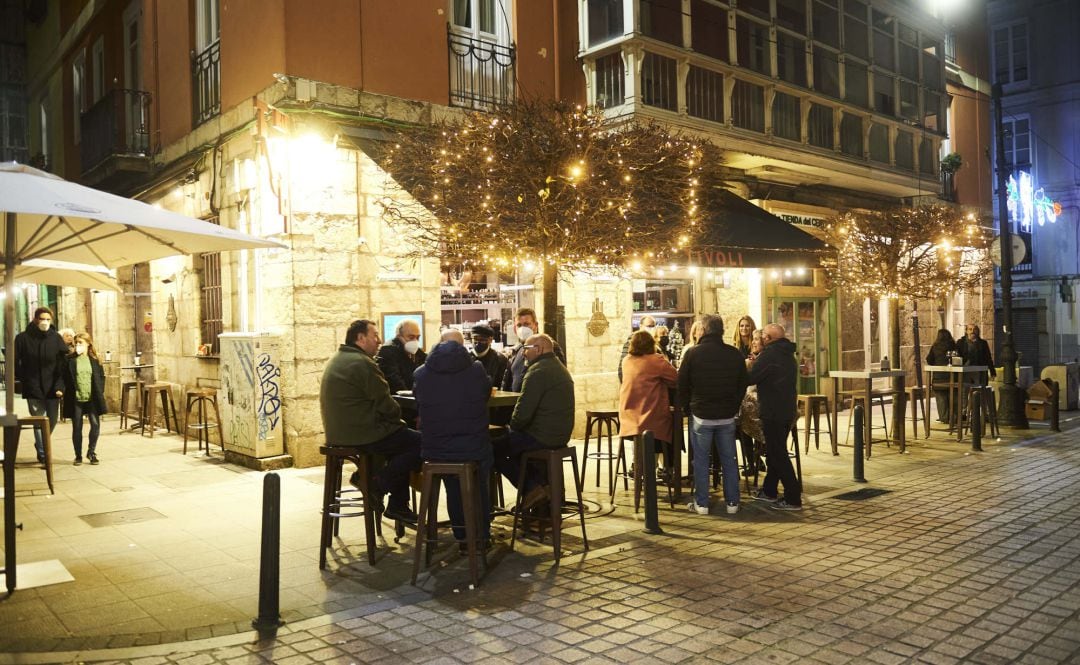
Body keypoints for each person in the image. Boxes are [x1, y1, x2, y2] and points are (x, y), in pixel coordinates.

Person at [320, 319, 422, 522]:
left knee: (401, 442)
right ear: (360, 338)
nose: (379, 340)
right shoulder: (363, 363)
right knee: (422, 442)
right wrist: (399, 417)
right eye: (374, 336)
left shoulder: (339, 358)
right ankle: (377, 484)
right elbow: (387, 405)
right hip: (362, 433)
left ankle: (396, 504)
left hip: (340, 432)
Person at [413, 329, 493, 550]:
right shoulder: (476, 370)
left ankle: (461, 534)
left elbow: (419, 402)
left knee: (452, 483)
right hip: (473, 449)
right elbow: (485, 393)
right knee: (480, 477)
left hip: (435, 451)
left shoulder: (421, 373)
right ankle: (481, 535)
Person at [678, 314, 748, 515]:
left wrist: (687, 408)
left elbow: (682, 383)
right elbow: (742, 382)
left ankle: (702, 504)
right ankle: (733, 503)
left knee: (700, 461)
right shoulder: (733, 354)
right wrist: (734, 405)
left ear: (705, 330)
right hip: (727, 414)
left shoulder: (692, 354)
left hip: (701, 414)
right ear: (721, 330)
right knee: (729, 459)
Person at [494, 333, 575, 509]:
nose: (524, 354)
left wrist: (510, 427)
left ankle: (531, 490)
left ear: (538, 349)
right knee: (514, 449)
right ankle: (539, 497)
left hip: (541, 437)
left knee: (492, 450)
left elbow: (522, 415)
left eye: (527, 349)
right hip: (559, 436)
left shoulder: (537, 372)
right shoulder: (557, 367)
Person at [748, 323, 802, 510]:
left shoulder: (769, 355)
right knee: (774, 452)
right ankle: (770, 491)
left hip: (773, 411)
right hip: (787, 410)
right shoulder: (788, 354)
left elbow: (750, 378)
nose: (760, 338)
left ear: (768, 339)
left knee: (778, 454)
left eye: (762, 335)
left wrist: (749, 365)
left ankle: (793, 497)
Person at [14, 307, 69, 465]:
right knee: (39, 421)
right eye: (42, 319)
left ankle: (39, 444)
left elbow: (62, 363)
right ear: (35, 319)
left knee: (51, 420)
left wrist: (60, 385)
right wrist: (24, 377)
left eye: (48, 319)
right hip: (33, 387)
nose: (45, 322)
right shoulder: (22, 338)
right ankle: (44, 454)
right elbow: (14, 359)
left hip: (53, 387)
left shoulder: (56, 338)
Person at [619, 330, 678, 475]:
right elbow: (676, 379)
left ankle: (641, 468)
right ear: (652, 344)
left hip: (628, 420)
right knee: (675, 428)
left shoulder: (626, 361)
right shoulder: (656, 360)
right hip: (651, 421)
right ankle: (668, 469)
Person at [62, 332, 107, 465]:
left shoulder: (95, 360)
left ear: (88, 344)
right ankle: (78, 455)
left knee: (95, 425)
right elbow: (64, 378)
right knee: (77, 427)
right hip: (76, 398)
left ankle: (91, 452)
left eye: (81, 343)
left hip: (92, 397)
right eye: (76, 343)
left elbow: (101, 377)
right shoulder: (69, 360)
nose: (78, 346)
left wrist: (100, 391)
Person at [502, 307, 565, 392]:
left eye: (527, 324)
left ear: (535, 325)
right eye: (519, 325)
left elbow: (559, 378)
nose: (523, 328)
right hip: (518, 403)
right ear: (514, 329)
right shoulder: (518, 351)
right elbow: (508, 381)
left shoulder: (549, 347)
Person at [376, 319, 426, 394]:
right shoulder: (388, 350)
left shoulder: (418, 353)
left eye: (417, 337)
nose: (415, 341)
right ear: (399, 336)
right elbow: (395, 382)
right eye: (411, 337)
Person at [927, 329, 957, 423]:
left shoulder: (935, 347)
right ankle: (953, 417)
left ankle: (944, 417)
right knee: (952, 398)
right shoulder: (953, 346)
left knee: (941, 399)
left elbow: (929, 360)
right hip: (952, 378)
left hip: (938, 379)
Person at [618, 315, 656, 382]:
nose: (651, 328)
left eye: (653, 326)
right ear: (641, 326)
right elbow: (622, 367)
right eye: (649, 326)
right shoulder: (633, 341)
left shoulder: (652, 341)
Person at [471, 323, 508, 388]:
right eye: (475, 339)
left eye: (482, 339)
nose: (478, 343)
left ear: (490, 340)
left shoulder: (499, 359)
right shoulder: (466, 358)